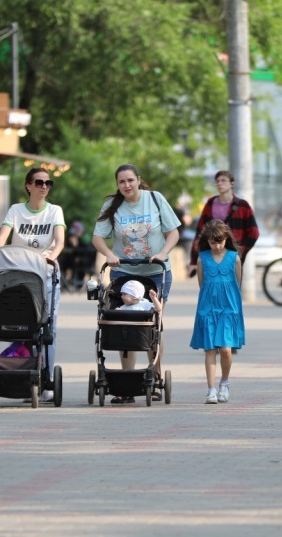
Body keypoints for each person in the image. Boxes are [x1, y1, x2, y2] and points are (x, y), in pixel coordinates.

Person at [92, 163, 180, 402]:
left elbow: (173, 232)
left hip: (155, 272)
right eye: (121, 182)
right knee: (124, 324)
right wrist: (109, 254)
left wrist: (162, 252)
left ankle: (155, 378)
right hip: (124, 272)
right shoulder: (112, 205)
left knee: (152, 324)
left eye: (130, 180)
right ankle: (127, 383)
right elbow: (97, 237)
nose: (126, 185)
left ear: (138, 180)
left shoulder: (155, 199)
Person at [0, 167, 66, 402]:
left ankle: (47, 379)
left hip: (45, 273)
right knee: (21, 324)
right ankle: (25, 376)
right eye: (39, 182)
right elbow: (2, 237)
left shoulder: (54, 211)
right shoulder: (16, 210)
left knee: (48, 329)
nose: (44, 186)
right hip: (18, 272)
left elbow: (59, 241)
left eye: (48, 183)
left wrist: (51, 258)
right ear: (28, 186)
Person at [191, 220, 245, 404]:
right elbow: (202, 285)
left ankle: (224, 383)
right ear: (207, 241)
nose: (217, 246)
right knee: (210, 349)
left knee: (226, 350)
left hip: (229, 309)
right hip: (208, 309)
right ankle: (211, 390)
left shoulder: (234, 258)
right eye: (213, 243)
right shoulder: (202, 258)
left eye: (220, 242)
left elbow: (237, 284)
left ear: (226, 239)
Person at [189, 170, 260, 277]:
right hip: (211, 253)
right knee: (211, 283)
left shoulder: (242, 205)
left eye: (223, 180)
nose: (220, 183)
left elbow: (254, 233)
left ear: (232, 183)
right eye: (217, 181)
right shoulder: (210, 203)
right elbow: (200, 232)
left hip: (232, 254)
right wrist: (193, 260)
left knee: (231, 284)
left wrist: (240, 250)